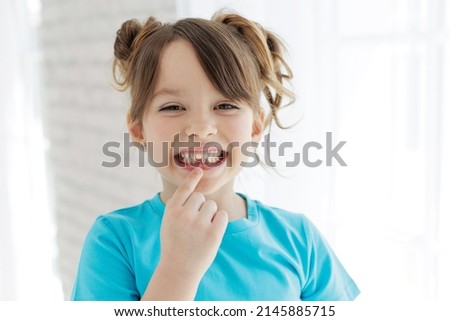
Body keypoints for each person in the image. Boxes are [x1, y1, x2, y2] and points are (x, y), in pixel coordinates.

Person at [71, 11, 360, 301]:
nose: (201, 129)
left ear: (255, 127)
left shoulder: (299, 239)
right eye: (172, 107)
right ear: (138, 131)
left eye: (225, 105)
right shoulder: (114, 240)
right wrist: (178, 269)